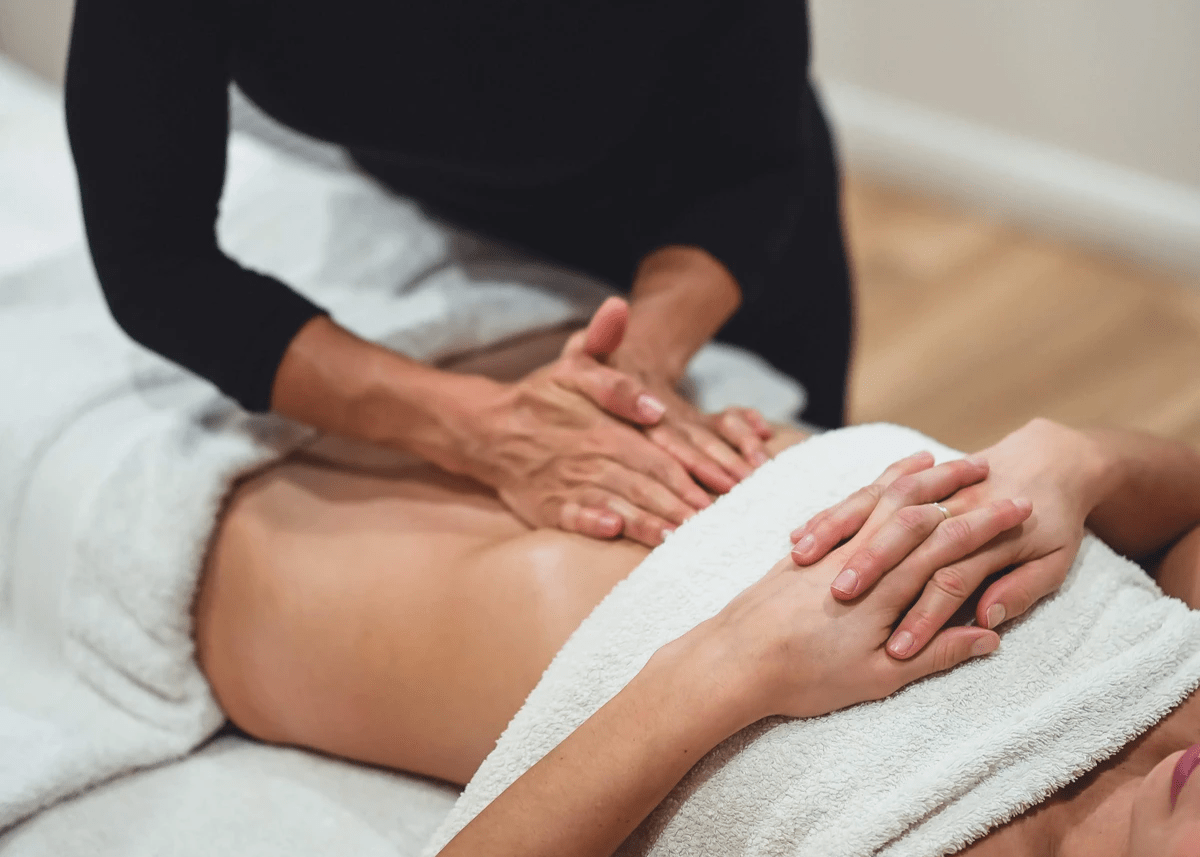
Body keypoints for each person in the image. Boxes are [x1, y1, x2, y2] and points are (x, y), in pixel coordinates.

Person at [193, 308, 1200, 857]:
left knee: (113, 419)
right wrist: (1072, 463)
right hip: (620, 406)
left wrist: (736, 658)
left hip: (368, 586)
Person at [65, 0, 853, 549]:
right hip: (442, 211)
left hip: (709, 226)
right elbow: (156, 260)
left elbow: (749, 171)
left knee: (806, 504)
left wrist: (635, 369)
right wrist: (484, 431)